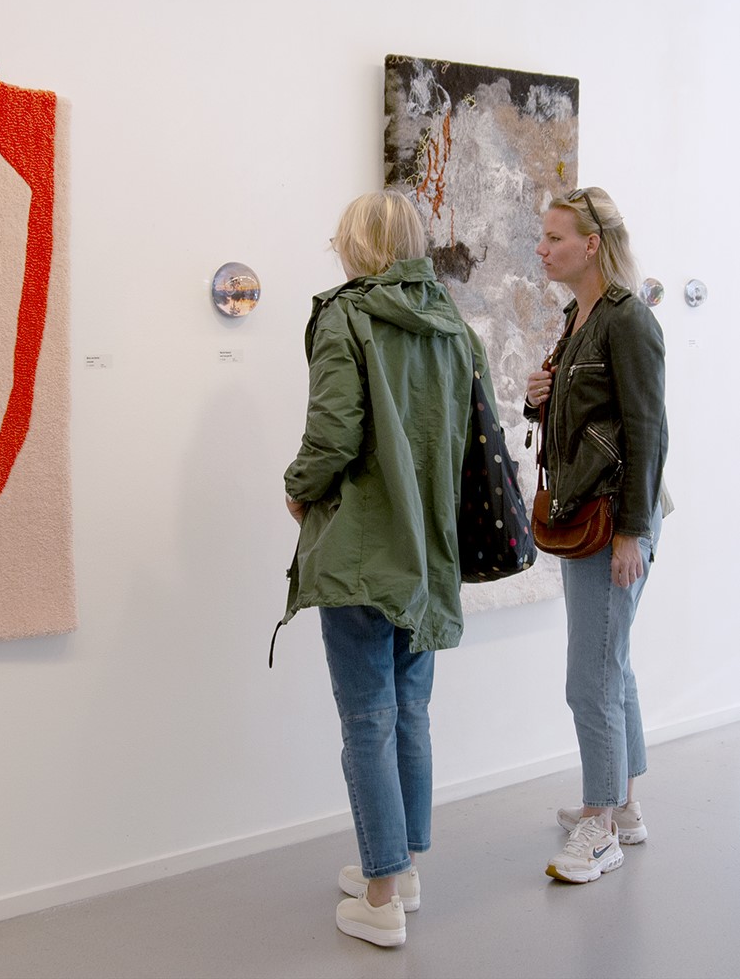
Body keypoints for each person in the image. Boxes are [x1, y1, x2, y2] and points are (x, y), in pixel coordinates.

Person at [280, 190, 490, 947]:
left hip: (364, 554)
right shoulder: (452, 326)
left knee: (366, 718)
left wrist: (297, 488)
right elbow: (472, 440)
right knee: (409, 710)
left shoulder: (346, 315)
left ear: (359, 245)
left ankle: (377, 897)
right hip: (428, 553)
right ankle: (401, 869)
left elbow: (333, 431)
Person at [524, 187, 669, 884]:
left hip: (615, 518)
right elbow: (584, 416)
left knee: (590, 678)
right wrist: (538, 399)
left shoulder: (626, 319)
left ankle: (600, 824)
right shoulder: (577, 317)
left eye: (554, 238)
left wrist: (633, 535)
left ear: (591, 244)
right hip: (591, 513)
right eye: (541, 237)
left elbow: (647, 431)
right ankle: (625, 807)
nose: (542, 248)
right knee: (612, 665)